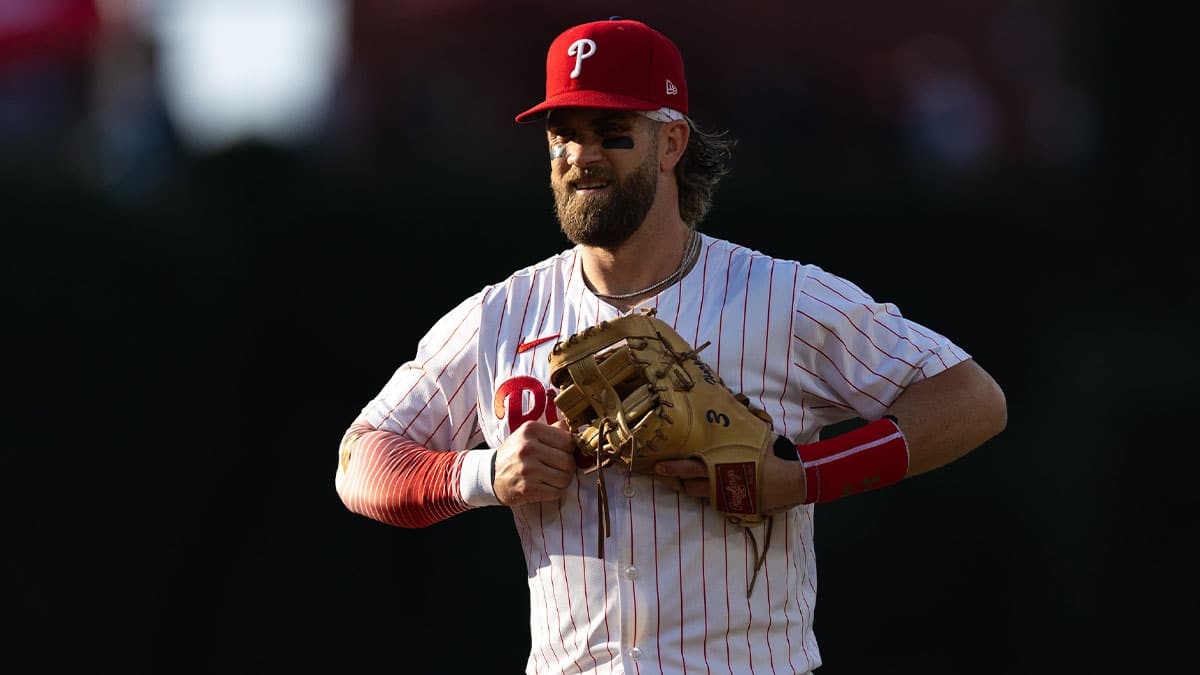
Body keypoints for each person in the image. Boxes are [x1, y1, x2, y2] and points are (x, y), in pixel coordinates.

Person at [334, 16, 1007, 675]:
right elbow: (360, 460)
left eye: (611, 133)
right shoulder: (501, 316)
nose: (580, 155)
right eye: (562, 135)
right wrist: (482, 475)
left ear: (671, 142)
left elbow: (971, 398)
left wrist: (802, 477)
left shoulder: (780, 295)